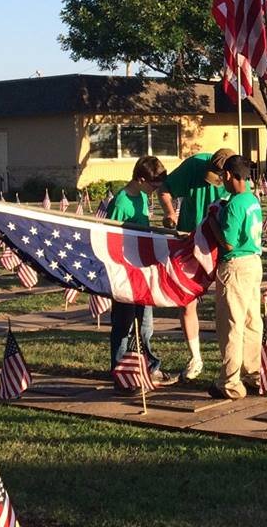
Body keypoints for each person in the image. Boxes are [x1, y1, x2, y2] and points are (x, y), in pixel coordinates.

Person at [157, 147, 235, 379]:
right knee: (187, 302)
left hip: (221, 245)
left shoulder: (239, 179)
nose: (214, 183)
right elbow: (164, 189)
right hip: (190, 239)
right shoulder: (193, 166)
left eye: (220, 179)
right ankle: (196, 358)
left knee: (228, 304)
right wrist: (170, 212)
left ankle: (231, 361)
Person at [107, 156, 175, 390]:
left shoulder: (143, 197)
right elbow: (110, 237)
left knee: (145, 324)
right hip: (125, 271)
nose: (156, 190)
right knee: (123, 324)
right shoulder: (121, 202)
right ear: (141, 179)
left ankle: (148, 367)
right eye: (154, 186)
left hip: (142, 272)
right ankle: (121, 370)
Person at [206, 155, 263, 400]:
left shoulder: (235, 204)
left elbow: (228, 243)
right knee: (252, 322)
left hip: (235, 266)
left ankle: (230, 382)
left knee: (231, 325)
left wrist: (212, 223)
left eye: (223, 178)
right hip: (254, 262)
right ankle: (254, 373)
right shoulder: (252, 199)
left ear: (228, 175)